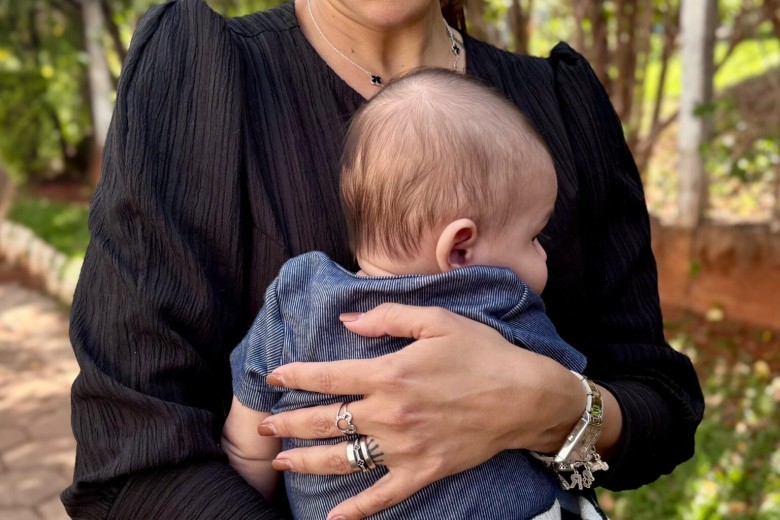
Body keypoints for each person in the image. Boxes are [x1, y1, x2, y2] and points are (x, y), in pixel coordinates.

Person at [62, 1, 704, 519]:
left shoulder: (561, 103)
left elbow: (661, 405)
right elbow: (131, 462)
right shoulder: (201, 77)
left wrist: (557, 407)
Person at [222, 68, 593, 519]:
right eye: (535, 236)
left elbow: (249, 444)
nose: (544, 253)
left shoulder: (296, 295)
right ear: (460, 249)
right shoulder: (498, 299)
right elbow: (560, 393)